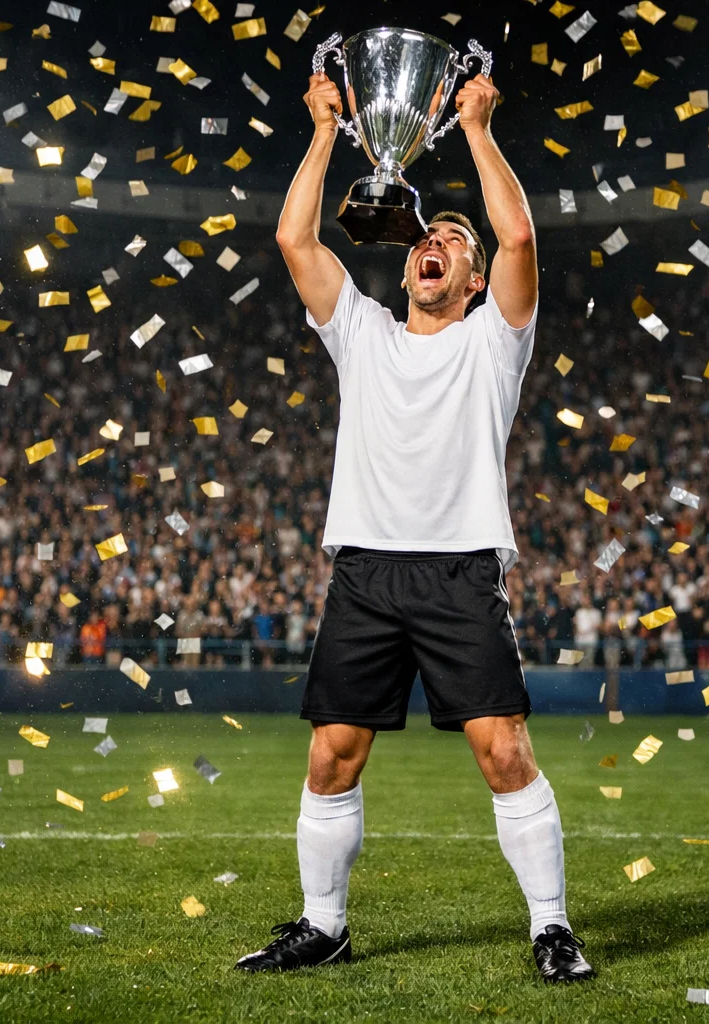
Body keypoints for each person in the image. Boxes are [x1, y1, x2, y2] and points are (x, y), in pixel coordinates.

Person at [236, 64, 592, 984]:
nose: (435, 243)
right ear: (406, 266)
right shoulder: (363, 331)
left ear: (471, 281)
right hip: (364, 572)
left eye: (453, 243)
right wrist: (322, 132)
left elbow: (515, 232)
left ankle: (551, 926)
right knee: (331, 756)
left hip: (459, 572)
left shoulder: (493, 341)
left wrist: (475, 127)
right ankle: (324, 925)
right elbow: (292, 235)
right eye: (425, 237)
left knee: (504, 751)